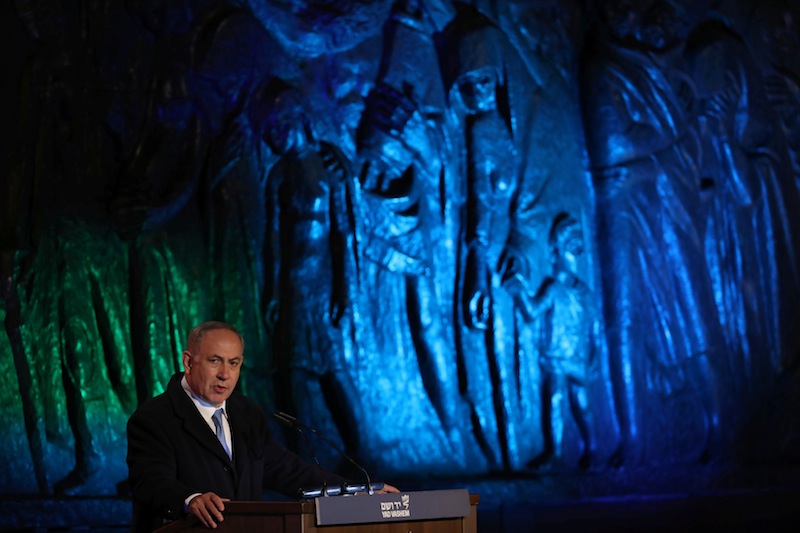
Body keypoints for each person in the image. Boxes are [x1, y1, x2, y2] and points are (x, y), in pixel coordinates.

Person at [127, 321, 398, 531]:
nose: (225, 374)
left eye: (233, 363)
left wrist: (360, 491)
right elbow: (150, 482)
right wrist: (190, 499)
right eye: (214, 361)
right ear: (188, 362)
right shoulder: (154, 417)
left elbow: (289, 472)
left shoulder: (246, 414)